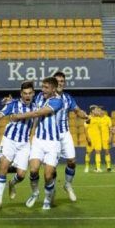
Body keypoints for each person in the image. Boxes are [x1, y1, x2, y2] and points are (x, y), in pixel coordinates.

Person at [11, 77, 64, 210]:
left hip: (53, 143)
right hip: (38, 141)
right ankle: (35, 193)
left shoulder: (58, 101)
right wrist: (11, 102)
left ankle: (47, 198)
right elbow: (26, 99)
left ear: (53, 89)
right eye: (42, 87)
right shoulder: (40, 96)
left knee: (48, 175)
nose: (43, 89)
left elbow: (37, 112)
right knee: (33, 170)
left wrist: (19, 116)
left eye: (46, 87)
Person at [0, 81, 35, 211]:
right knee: (3, 167)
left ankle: (12, 183)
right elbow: (0, 114)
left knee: (21, 175)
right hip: (9, 140)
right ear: (21, 94)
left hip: (24, 144)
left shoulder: (36, 106)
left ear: (33, 94)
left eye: (30, 93)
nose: (27, 96)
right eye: (25, 93)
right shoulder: (13, 104)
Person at [46, 71, 88, 202]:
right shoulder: (45, 97)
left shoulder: (68, 98)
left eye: (62, 81)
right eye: (57, 81)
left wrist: (85, 116)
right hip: (50, 136)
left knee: (72, 161)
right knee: (51, 168)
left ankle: (68, 184)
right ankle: (51, 191)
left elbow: (77, 110)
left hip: (64, 134)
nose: (60, 83)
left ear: (64, 83)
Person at [84, 105, 113, 173]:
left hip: (98, 138)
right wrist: (87, 138)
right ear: (93, 111)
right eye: (97, 110)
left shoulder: (98, 118)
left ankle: (98, 168)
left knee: (98, 152)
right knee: (88, 153)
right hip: (91, 138)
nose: (98, 111)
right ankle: (87, 167)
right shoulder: (89, 118)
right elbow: (85, 128)